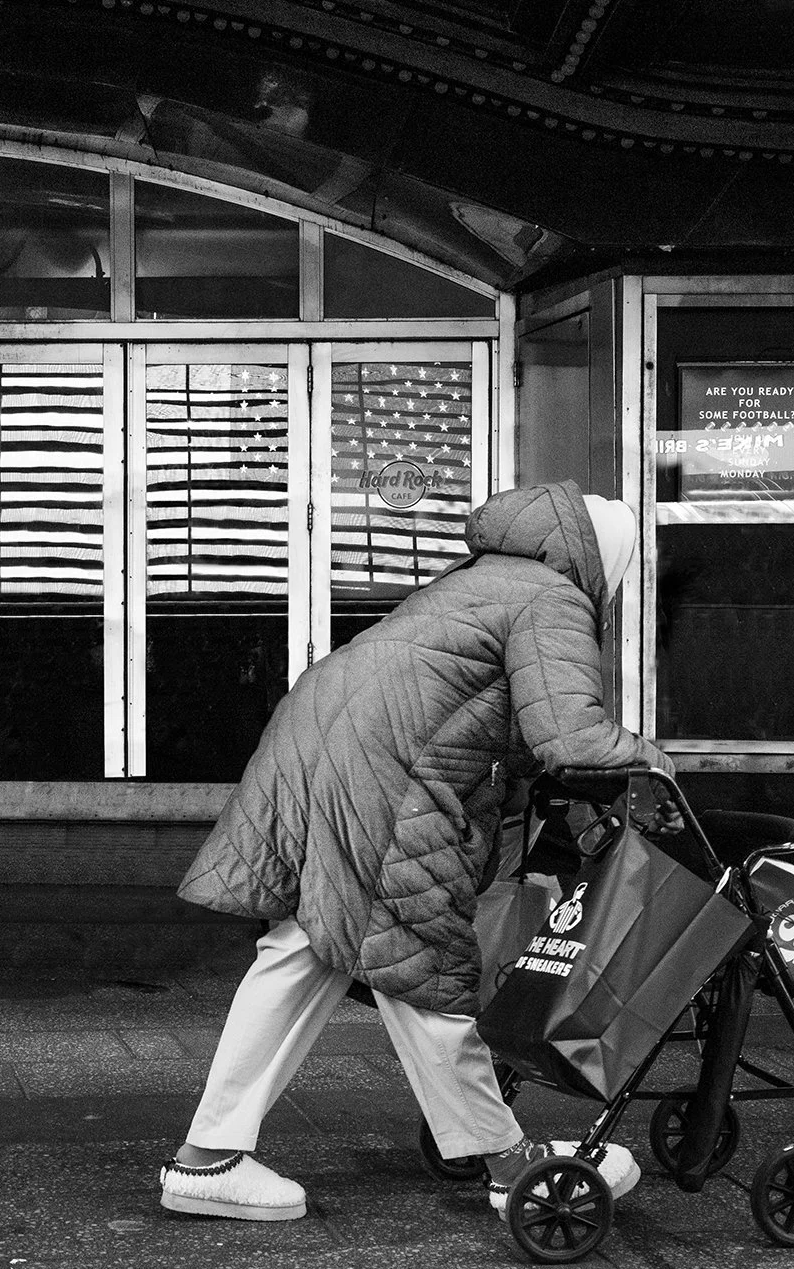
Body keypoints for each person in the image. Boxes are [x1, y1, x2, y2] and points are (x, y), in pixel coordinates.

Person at [161, 481, 676, 1223]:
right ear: (605, 561)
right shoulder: (552, 595)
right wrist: (655, 764)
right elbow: (570, 734)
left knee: (310, 944)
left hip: (326, 747)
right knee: (418, 960)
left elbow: (481, 717)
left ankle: (207, 1159)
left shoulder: (479, 579)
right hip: (385, 776)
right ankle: (508, 1162)